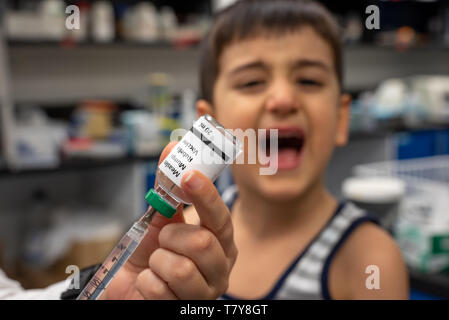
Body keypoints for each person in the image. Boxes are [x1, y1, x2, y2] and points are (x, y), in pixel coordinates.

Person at [1, 0, 409, 300]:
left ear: (341, 120)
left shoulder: (370, 259)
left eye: (309, 81)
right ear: (207, 127)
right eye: (251, 82)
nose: (283, 98)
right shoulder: (182, 231)